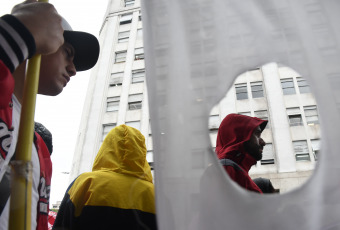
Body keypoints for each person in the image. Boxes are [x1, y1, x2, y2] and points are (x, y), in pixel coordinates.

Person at [0, 1, 100, 229]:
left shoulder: (39, 147)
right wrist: (21, 31)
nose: (73, 69)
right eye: (68, 53)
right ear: (43, 40)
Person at [53, 125, 157, 230]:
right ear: (141, 150)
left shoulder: (86, 183)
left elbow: (62, 225)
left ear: (107, 147)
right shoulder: (155, 194)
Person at [215, 113, 267, 193]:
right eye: (257, 135)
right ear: (240, 137)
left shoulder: (236, 170)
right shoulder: (226, 168)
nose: (263, 142)